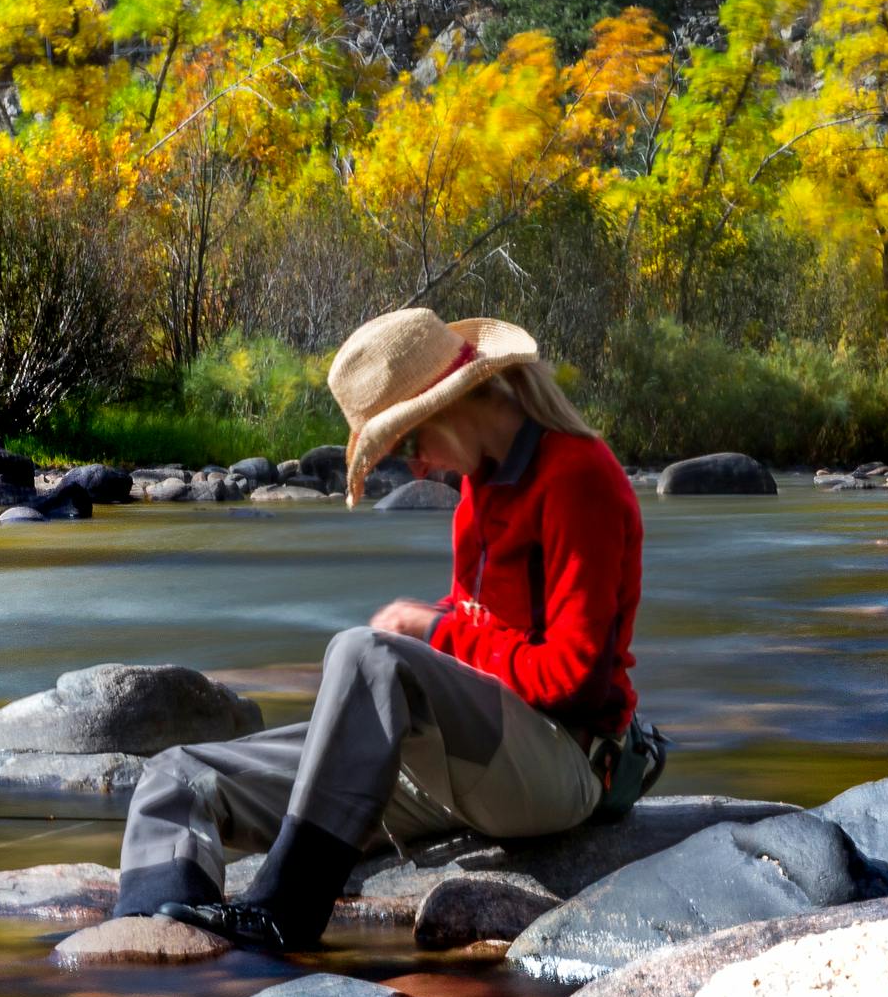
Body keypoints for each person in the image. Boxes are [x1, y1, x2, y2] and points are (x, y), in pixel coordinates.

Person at [128, 308, 648, 952]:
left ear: (453, 404)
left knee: (365, 652)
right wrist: (429, 638)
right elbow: (482, 631)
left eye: (408, 442)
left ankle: (284, 909)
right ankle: (156, 945)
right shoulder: (479, 494)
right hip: (470, 766)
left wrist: (427, 635)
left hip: (564, 767)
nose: (420, 467)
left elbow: (572, 678)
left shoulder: (578, 477)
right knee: (177, 775)